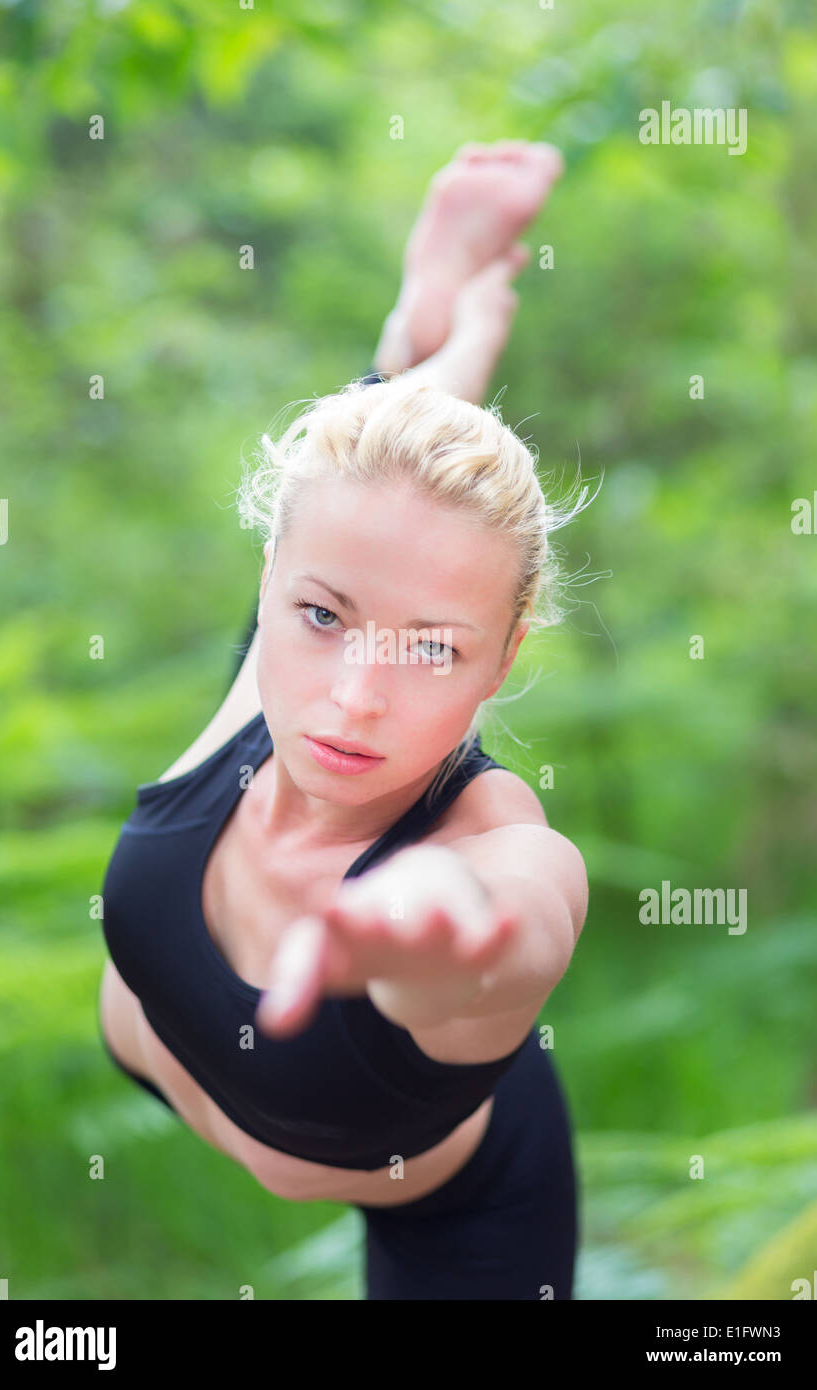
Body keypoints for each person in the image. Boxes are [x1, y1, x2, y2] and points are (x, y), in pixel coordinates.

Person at [97, 139, 591, 1300]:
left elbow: (521, 908)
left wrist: (438, 928)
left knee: (373, 560)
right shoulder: (274, 678)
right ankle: (424, 340)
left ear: (504, 660)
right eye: (318, 615)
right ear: (266, 577)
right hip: (174, 1051)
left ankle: (435, 342)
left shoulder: (485, 834)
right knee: (369, 525)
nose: (357, 698)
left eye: (433, 649)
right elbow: (360, 555)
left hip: (458, 1202)